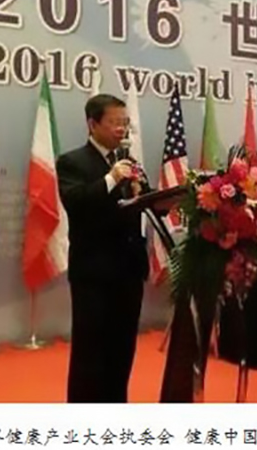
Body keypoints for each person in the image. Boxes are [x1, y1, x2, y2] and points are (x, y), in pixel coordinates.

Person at [56, 94, 151, 403]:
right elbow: (76, 202)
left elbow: (145, 202)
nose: (121, 129)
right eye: (114, 122)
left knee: (123, 349)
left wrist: (156, 197)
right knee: (91, 351)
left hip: (129, 269)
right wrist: (111, 178)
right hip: (94, 272)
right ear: (92, 124)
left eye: (125, 122)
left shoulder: (130, 163)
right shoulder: (72, 162)